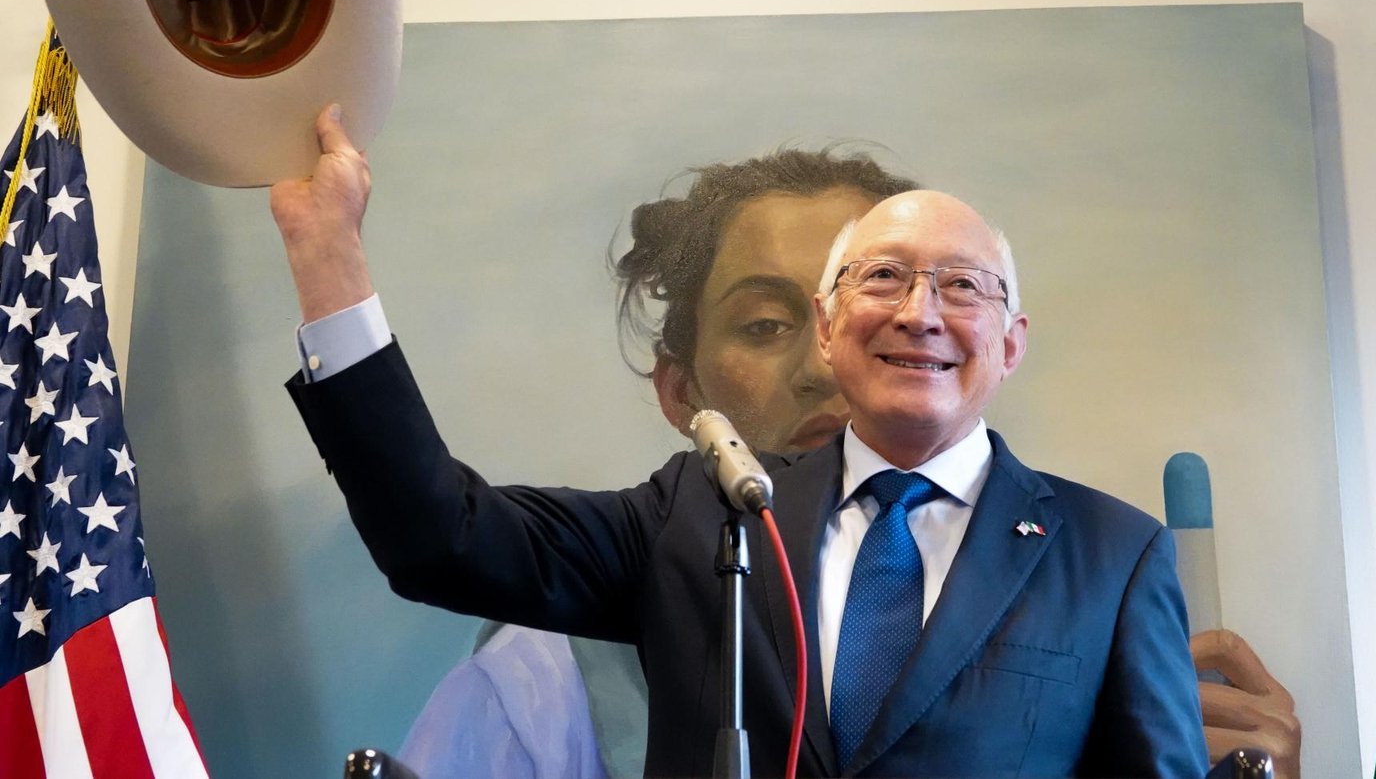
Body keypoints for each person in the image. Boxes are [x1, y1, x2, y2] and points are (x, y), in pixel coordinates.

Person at [273, 106, 1208, 775]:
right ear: (831, 327)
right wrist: (328, 255)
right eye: (883, 278)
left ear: (1012, 341)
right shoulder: (699, 514)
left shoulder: (1113, 557)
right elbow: (441, 536)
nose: (920, 313)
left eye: (963, 285)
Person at [398, 145, 918, 778]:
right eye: (765, 325)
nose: (823, 367)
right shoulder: (539, 681)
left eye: (863, 315)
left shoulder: (1016, 585)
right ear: (681, 392)